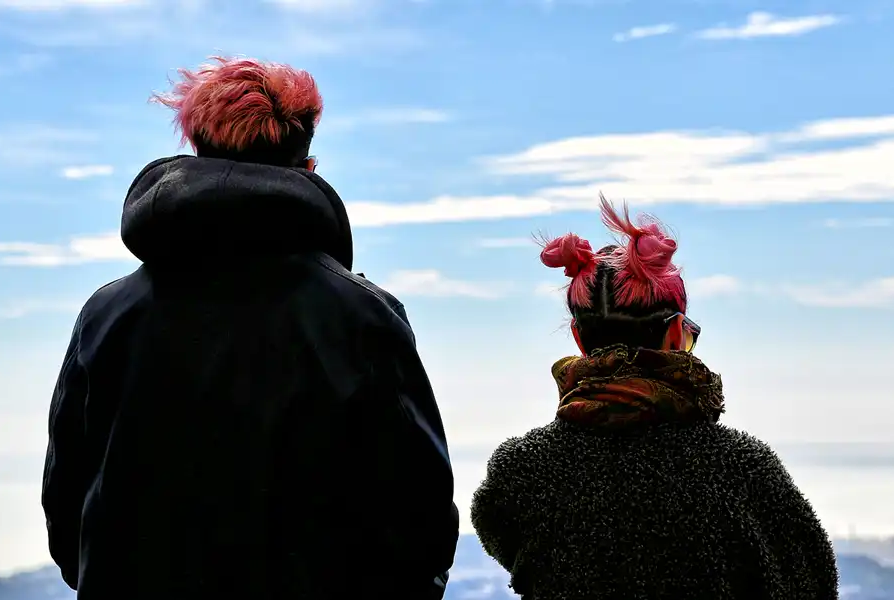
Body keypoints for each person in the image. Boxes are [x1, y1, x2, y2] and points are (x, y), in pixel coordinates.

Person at [41, 56, 459, 600]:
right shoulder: (361, 316)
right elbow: (419, 506)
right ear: (308, 167)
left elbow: (66, 499)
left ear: (196, 154)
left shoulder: (106, 314)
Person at [470, 196, 839, 599]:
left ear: (578, 338)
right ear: (676, 334)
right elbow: (812, 581)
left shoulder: (520, 472)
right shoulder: (744, 470)